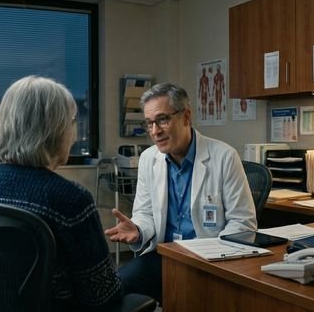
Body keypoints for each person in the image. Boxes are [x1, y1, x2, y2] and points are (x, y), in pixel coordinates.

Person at [0, 76, 122, 310]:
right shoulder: (71, 200)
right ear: (53, 131)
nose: (75, 134)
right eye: (71, 123)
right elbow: (102, 297)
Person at [104, 83, 257, 302]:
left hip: (208, 259)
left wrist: (211, 256)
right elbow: (145, 213)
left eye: (162, 120)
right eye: (149, 123)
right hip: (165, 257)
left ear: (186, 117)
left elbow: (243, 224)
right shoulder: (149, 158)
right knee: (116, 289)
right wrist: (138, 229)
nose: (155, 131)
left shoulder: (224, 156)